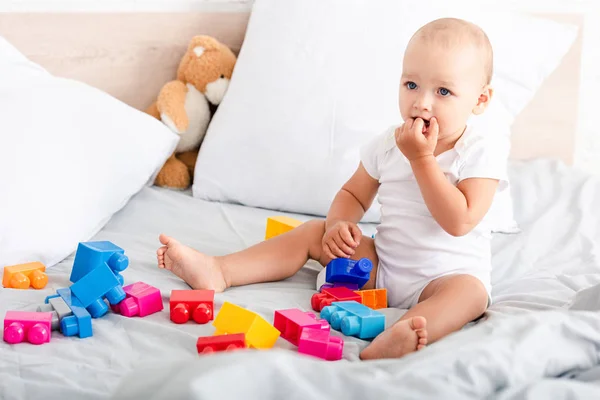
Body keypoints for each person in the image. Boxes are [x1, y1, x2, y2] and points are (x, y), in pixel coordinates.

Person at [156, 17, 513, 360]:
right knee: (312, 231)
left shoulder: (479, 152)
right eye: (411, 85)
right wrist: (340, 224)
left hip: (445, 278)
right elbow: (354, 194)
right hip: (382, 268)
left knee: (470, 296)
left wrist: (422, 161)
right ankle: (220, 269)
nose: (422, 102)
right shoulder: (388, 144)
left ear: (480, 100)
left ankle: (401, 333)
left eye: (444, 91)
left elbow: (460, 221)